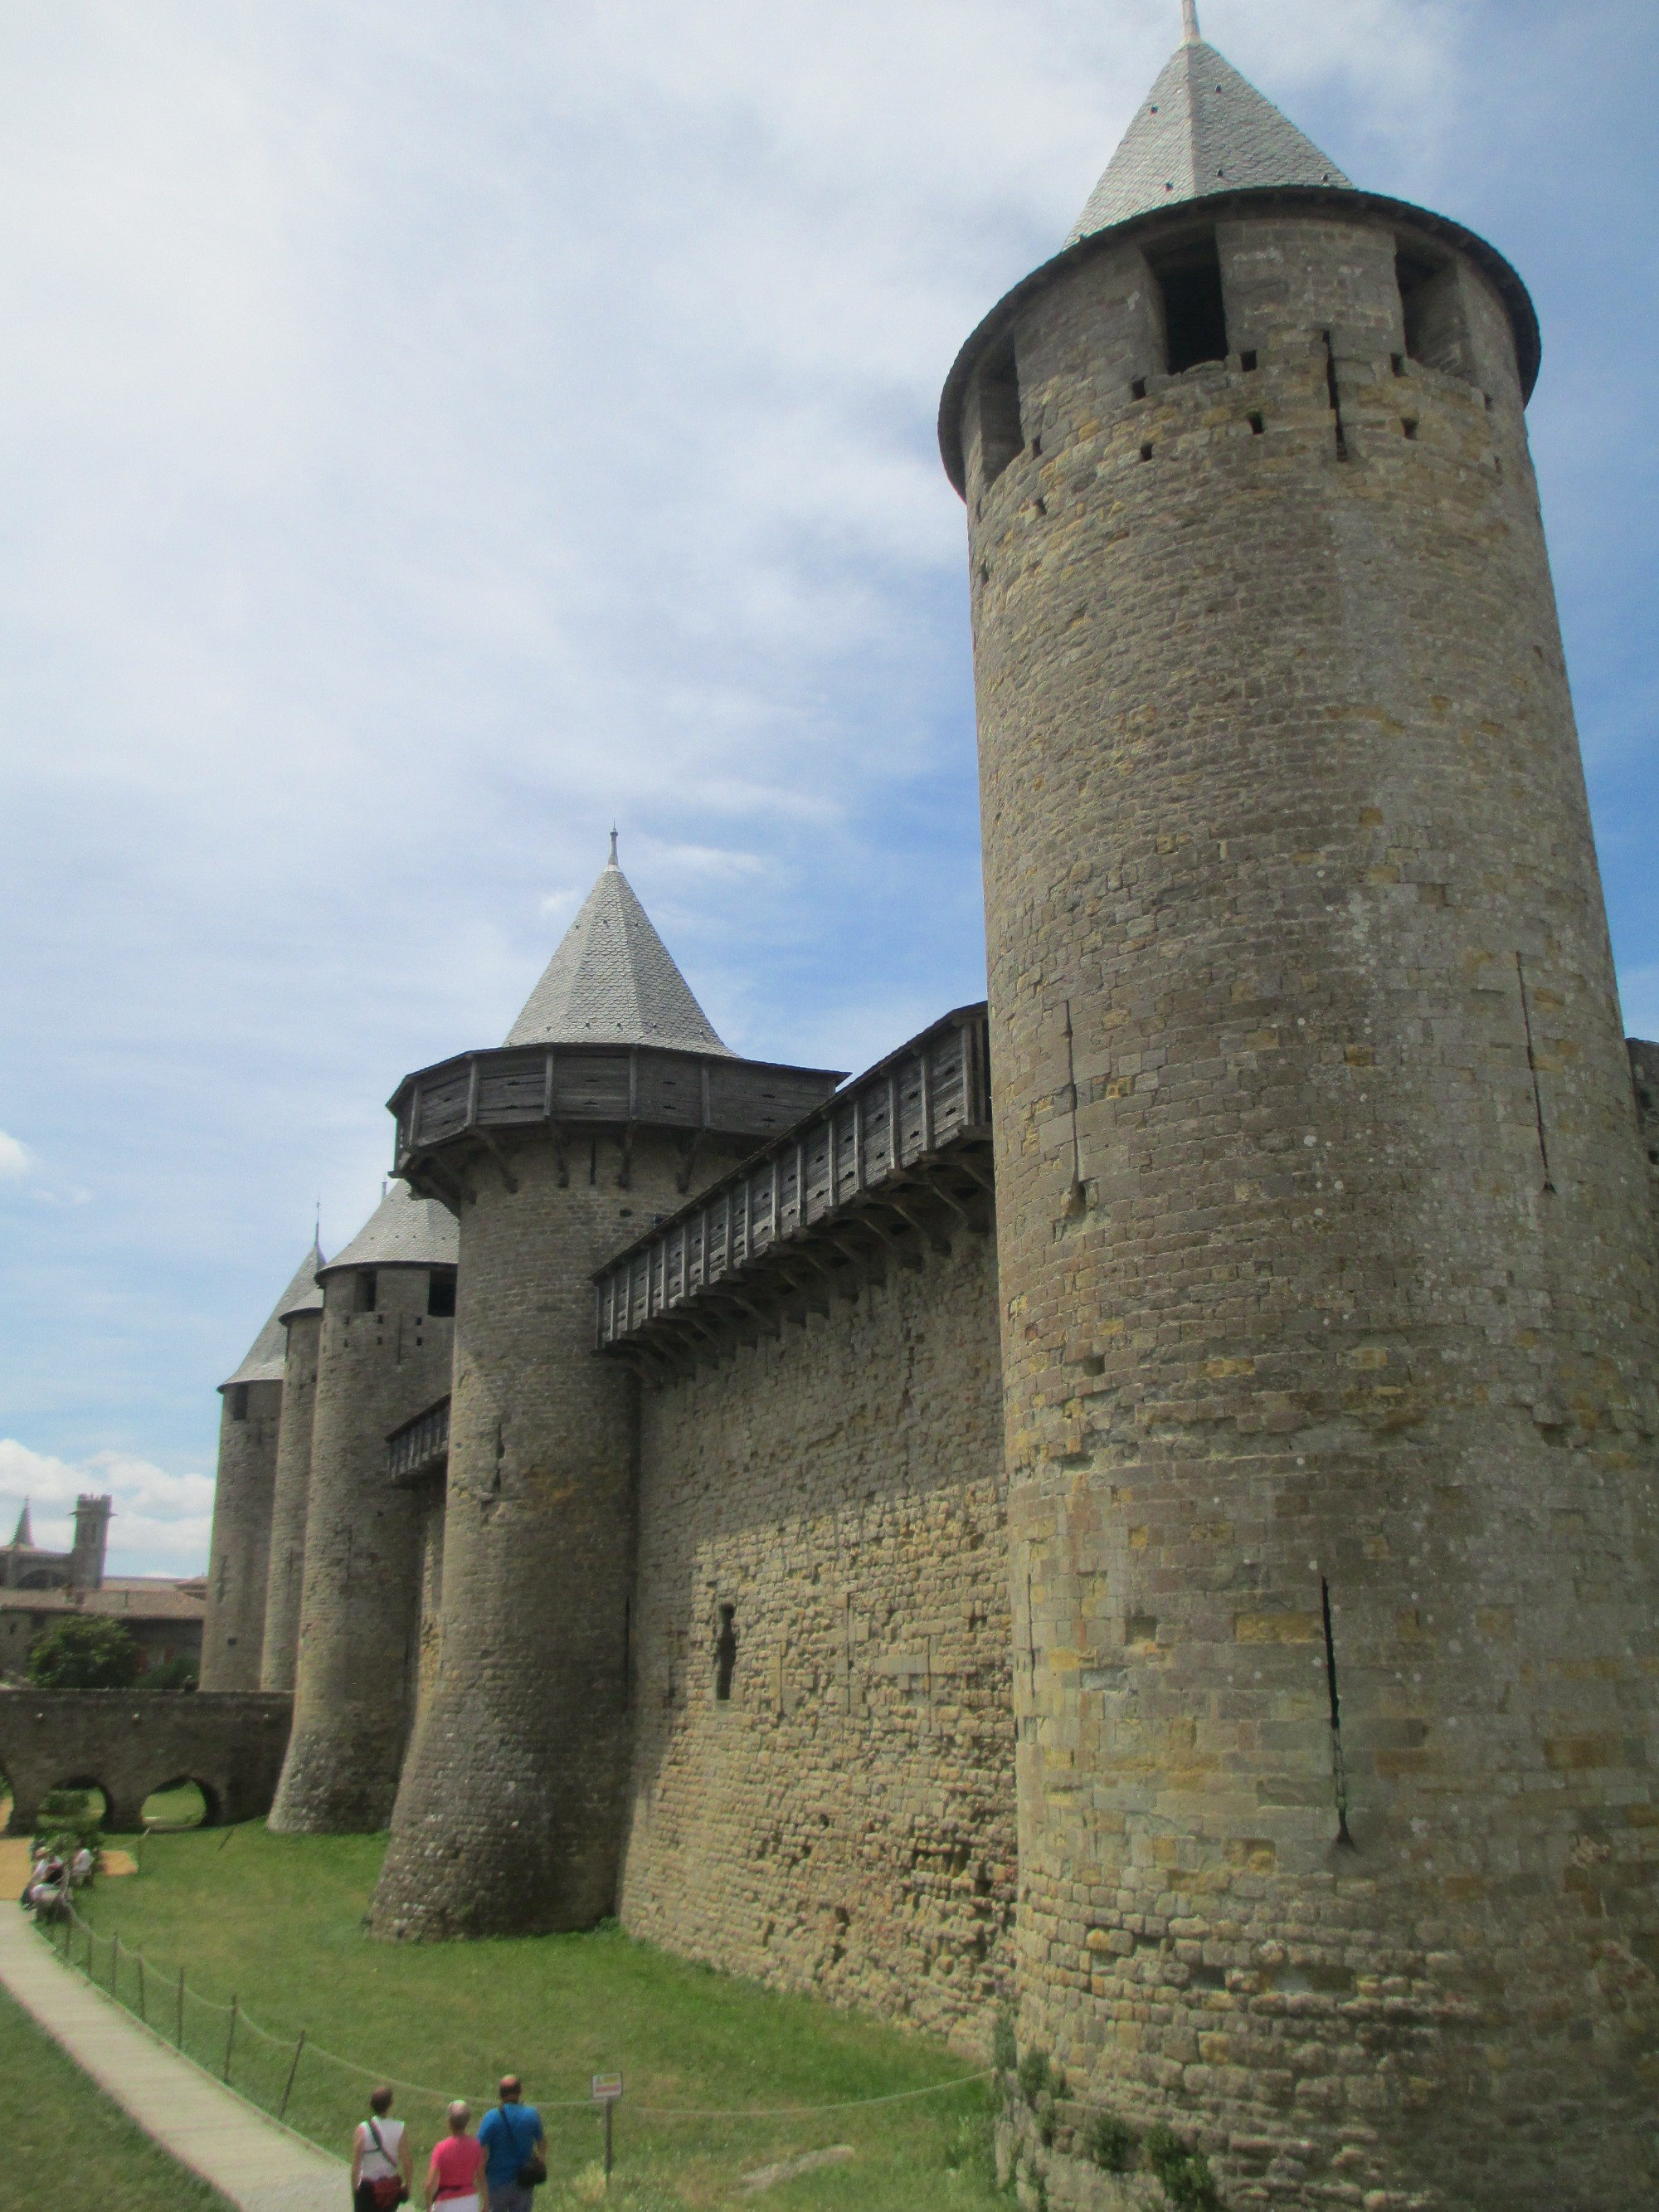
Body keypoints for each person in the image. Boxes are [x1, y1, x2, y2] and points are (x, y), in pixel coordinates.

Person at [477, 2075, 546, 2209]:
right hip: (524, 2181)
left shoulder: (492, 2117)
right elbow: (542, 2143)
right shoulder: (531, 2114)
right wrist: (540, 2161)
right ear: (520, 2092)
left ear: (500, 2094)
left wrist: (481, 2175)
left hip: (497, 2182)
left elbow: (480, 2150)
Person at [353, 2084, 413, 2212]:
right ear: (391, 2104)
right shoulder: (399, 2128)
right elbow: (407, 2162)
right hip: (389, 2190)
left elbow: (356, 2166)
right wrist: (408, 2186)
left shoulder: (362, 2130)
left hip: (368, 2188)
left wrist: (355, 2191)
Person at [426, 2101, 487, 2212]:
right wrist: (486, 2203)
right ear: (467, 2122)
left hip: (446, 2201)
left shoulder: (441, 2148)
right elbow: (481, 2177)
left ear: (449, 2122)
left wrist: (428, 2206)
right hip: (470, 2200)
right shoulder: (475, 2146)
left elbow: (430, 2183)